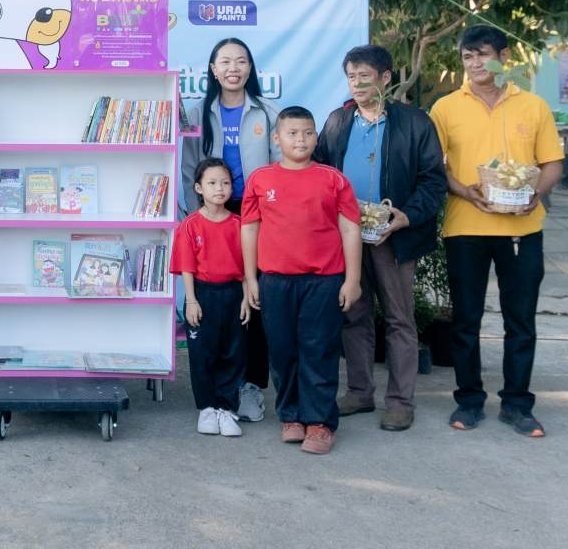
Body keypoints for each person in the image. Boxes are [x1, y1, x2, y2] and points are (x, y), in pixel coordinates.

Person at [429, 25, 564, 438]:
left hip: (523, 228)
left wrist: (535, 194)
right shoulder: (446, 108)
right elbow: (435, 166)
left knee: (520, 320)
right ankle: (469, 400)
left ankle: (517, 404)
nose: (474, 64)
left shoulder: (533, 105)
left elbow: (553, 164)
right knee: (465, 320)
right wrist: (464, 191)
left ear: (504, 57)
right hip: (465, 227)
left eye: (482, 55)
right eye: (467, 57)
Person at [313, 45, 447, 431]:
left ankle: (401, 402)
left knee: (399, 319)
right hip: (348, 237)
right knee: (353, 314)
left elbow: (433, 181)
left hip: (394, 237)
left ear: (386, 78)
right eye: (351, 77)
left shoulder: (414, 123)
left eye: (365, 76)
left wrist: (407, 216)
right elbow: (320, 172)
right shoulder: (338, 121)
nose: (357, 84)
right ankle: (359, 392)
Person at [241, 106, 362, 455]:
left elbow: (350, 229)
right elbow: (249, 229)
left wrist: (352, 279)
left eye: (308, 133)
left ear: (316, 138)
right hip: (275, 281)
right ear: (276, 139)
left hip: (322, 281)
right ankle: (291, 416)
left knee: (318, 349)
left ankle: (320, 422)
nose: (301, 140)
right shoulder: (260, 179)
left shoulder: (333, 179)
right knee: (282, 351)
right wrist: (251, 279)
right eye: (292, 133)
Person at [181, 37, 281, 423]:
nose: (233, 68)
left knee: (253, 300)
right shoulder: (197, 113)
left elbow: (280, 170)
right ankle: (218, 391)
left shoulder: (268, 113)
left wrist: (274, 218)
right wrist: (198, 219)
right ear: (212, 69)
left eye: (240, 61)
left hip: (257, 217)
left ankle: (251, 386)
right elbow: (189, 169)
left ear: (250, 68)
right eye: (224, 62)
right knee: (218, 305)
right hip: (213, 215)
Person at [170, 158, 248, 438]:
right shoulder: (190, 225)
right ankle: (206, 408)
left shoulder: (240, 225)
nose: (219, 188)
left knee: (233, 353)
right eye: (212, 183)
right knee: (203, 354)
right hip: (202, 295)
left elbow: (247, 265)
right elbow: (187, 267)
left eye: (225, 183)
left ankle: (227, 408)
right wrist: (191, 300)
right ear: (199, 188)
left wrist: (246, 297)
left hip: (233, 294)